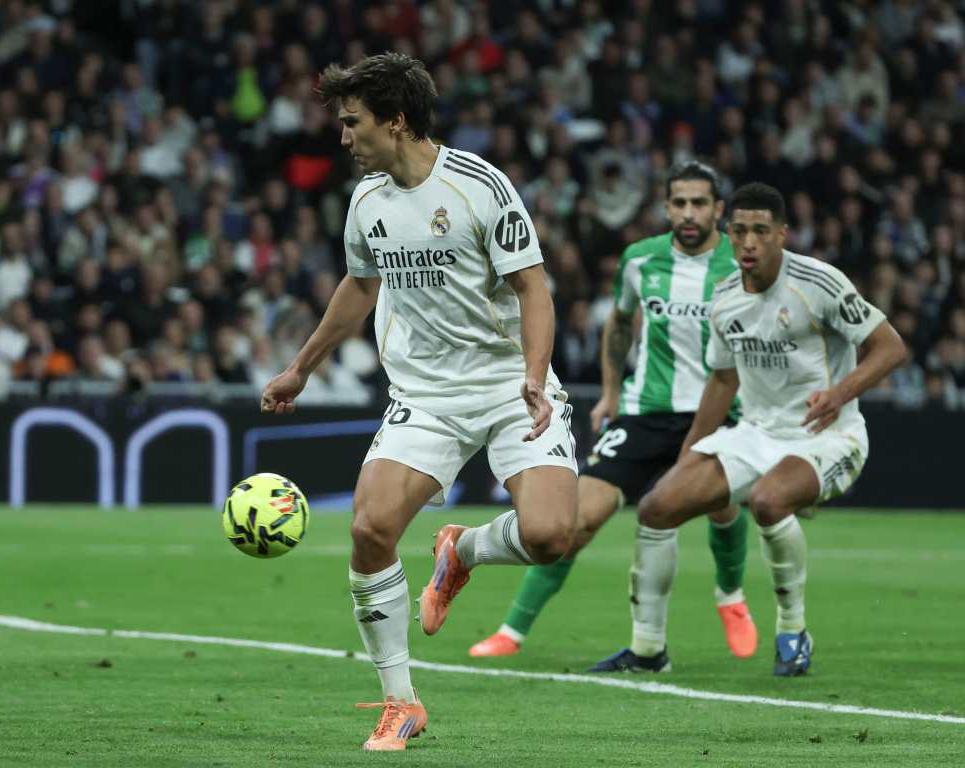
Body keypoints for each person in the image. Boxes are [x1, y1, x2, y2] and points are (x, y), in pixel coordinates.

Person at [260, 53, 577, 751]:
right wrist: (300, 369)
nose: (344, 138)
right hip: (425, 395)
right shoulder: (368, 199)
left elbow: (533, 288)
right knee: (371, 528)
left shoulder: (480, 186)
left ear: (395, 122)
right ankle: (399, 702)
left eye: (353, 123)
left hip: (504, 384)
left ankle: (462, 549)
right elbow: (358, 287)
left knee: (553, 535)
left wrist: (534, 373)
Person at [589, 183, 907, 676]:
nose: (749, 242)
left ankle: (792, 630)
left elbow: (889, 347)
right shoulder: (726, 298)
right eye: (739, 231)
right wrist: (690, 453)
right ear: (728, 233)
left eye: (761, 231)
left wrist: (840, 393)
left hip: (828, 433)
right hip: (755, 434)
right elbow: (722, 379)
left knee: (767, 501)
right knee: (656, 508)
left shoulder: (819, 282)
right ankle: (648, 650)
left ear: (782, 234)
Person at [470, 162, 759, 665]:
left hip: (718, 412)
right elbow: (621, 324)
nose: (688, 213)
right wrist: (609, 394)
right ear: (667, 207)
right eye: (679, 203)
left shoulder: (741, 266)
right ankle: (513, 628)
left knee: (721, 504)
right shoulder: (639, 260)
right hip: (645, 411)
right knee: (575, 521)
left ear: (718, 210)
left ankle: (731, 597)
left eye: (699, 203)